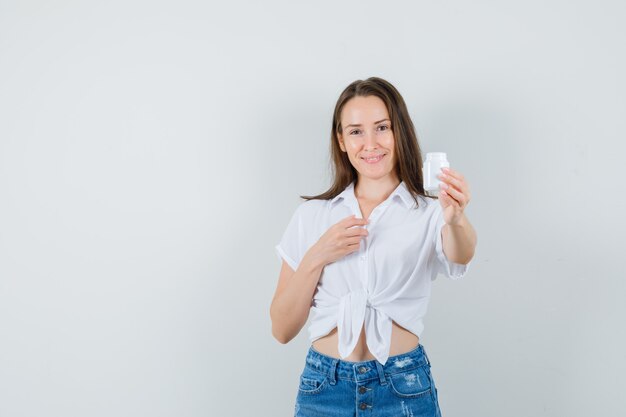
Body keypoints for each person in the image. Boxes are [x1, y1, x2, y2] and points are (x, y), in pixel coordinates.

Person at [270, 77, 477, 417]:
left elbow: (461, 253)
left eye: (382, 127)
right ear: (341, 140)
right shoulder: (312, 216)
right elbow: (281, 329)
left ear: (399, 132)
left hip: (402, 387)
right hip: (324, 390)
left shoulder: (428, 212)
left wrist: (455, 219)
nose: (370, 143)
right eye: (355, 131)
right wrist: (319, 254)